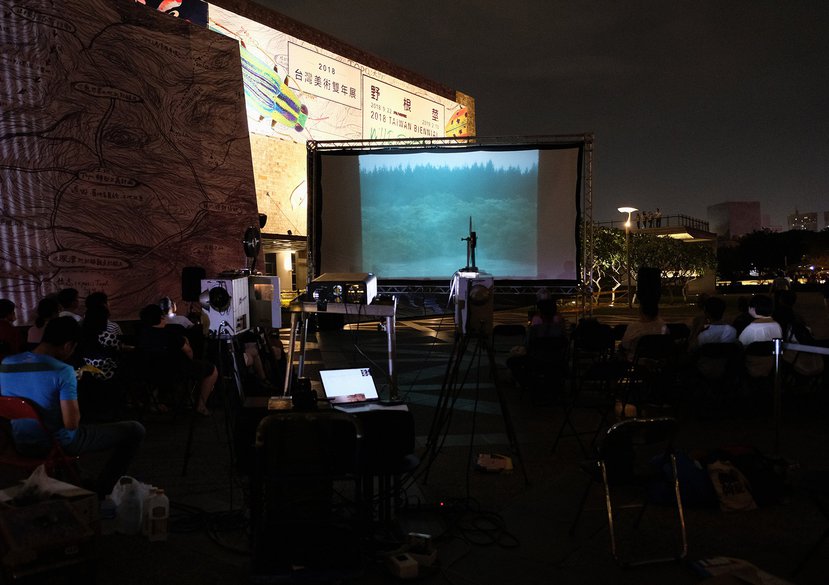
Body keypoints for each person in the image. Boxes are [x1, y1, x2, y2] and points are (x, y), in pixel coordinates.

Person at [0, 317, 145, 497]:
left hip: (19, 442)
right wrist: (70, 386)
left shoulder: (7, 364)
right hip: (54, 444)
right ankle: (102, 490)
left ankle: (81, 478)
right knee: (135, 429)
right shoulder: (63, 371)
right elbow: (71, 423)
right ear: (68, 345)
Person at [137, 304, 217, 415]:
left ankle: (154, 403)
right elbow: (188, 352)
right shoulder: (171, 333)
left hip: (150, 373)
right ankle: (201, 406)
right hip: (175, 372)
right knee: (212, 370)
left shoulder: (143, 336)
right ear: (161, 317)